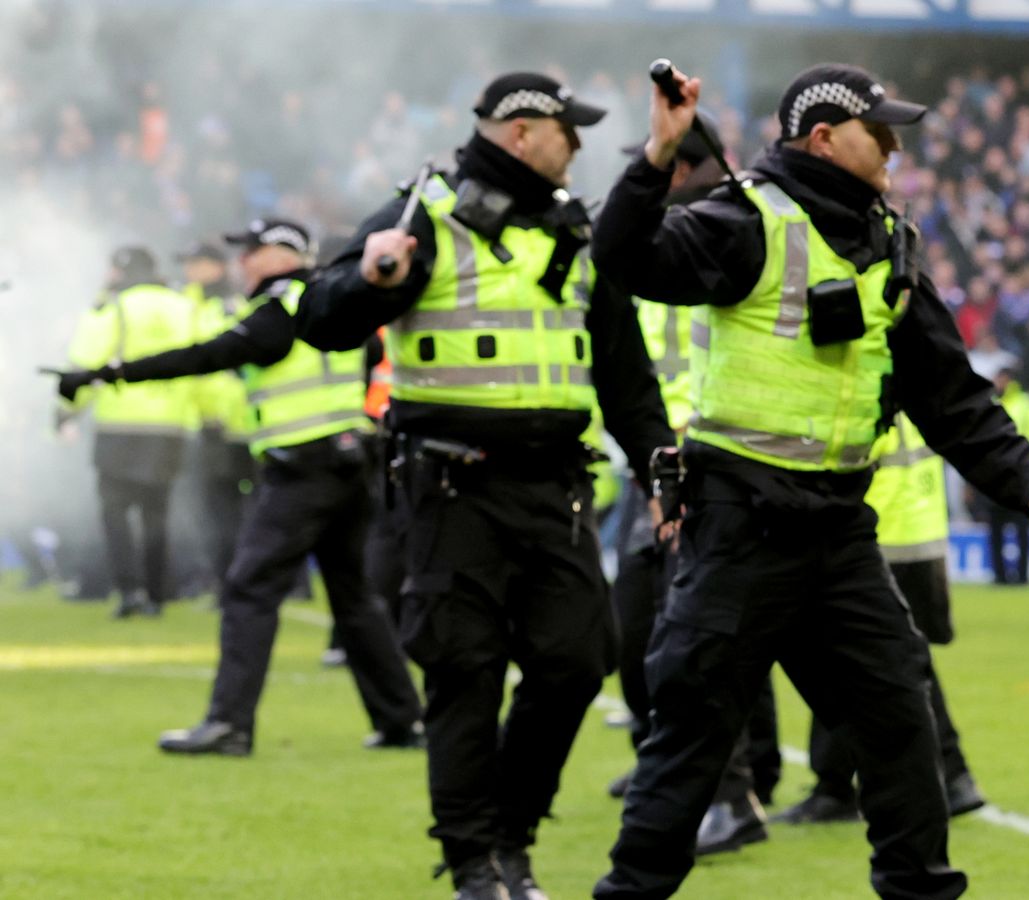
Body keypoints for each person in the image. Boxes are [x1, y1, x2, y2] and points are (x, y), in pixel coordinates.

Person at [590, 62, 1029, 900]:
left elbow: (951, 396)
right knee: (688, 749)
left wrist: (1027, 483)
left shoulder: (891, 239)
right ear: (822, 138)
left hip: (840, 536)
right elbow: (626, 255)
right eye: (877, 131)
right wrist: (658, 155)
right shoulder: (745, 220)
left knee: (899, 732)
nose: (893, 146)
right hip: (738, 528)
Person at [295, 73, 672, 900]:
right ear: (521, 131)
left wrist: (658, 471)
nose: (576, 144)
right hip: (448, 485)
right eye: (566, 129)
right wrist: (372, 281)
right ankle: (476, 864)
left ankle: (509, 833)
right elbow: (319, 316)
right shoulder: (420, 214)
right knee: (464, 670)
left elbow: (625, 376)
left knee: (577, 661)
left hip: (556, 485)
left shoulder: (578, 228)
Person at [54, 219, 424, 757]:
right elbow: (368, 358)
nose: (243, 262)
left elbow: (205, 356)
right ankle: (401, 720)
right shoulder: (335, 299)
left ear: (282, 254)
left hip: (302, 467)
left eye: (252, 250)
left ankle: (229, 723)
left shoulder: (281, 306)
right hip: (349, 460)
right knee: (353, 598)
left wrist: (108, 373)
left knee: (250, 588)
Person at [604, 114, 781, 857]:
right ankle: (733, 778)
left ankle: (734, 790)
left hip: (702, 466)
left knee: (687, 639)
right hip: (674, 463)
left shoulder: (715, 232)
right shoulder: (710, 228)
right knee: (703, 633)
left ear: (682, 170)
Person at [775, 412, 985, 825]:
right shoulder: (900, 376)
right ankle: (838, 783)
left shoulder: (857, 382)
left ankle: (948, 773)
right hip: (914, 532)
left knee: (864, 655)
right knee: (868, 656)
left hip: (877, 535)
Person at [58, 246, 199, 618]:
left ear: (119, 271)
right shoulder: (182, 305)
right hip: (171, 423)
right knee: (157, 513)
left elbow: (86, 362)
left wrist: (67, 411)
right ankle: (158, 593)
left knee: (115, 512)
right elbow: (206, 357)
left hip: (120, 423)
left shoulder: (114, 306)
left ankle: (130, 590)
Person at [176, 243, 255, 594]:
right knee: (212, 510)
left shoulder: (229, 307)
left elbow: (229, 370)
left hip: (228, 427)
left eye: (197, 262)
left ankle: (236, 580)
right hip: (199, 424)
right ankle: (223, 580)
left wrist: (219, 415)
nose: (189, 270)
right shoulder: (184, 304)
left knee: (230, 509)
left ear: (217, 267)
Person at [986, 367, 1029, 585]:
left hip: (1007, 476)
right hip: (1016, 476)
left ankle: (1004, 576)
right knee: (1017, 530)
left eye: (1000, 377)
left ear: (1008, 380)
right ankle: (1019, 576)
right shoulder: (1023, 405)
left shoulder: (1008, 406)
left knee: (1002, 530)